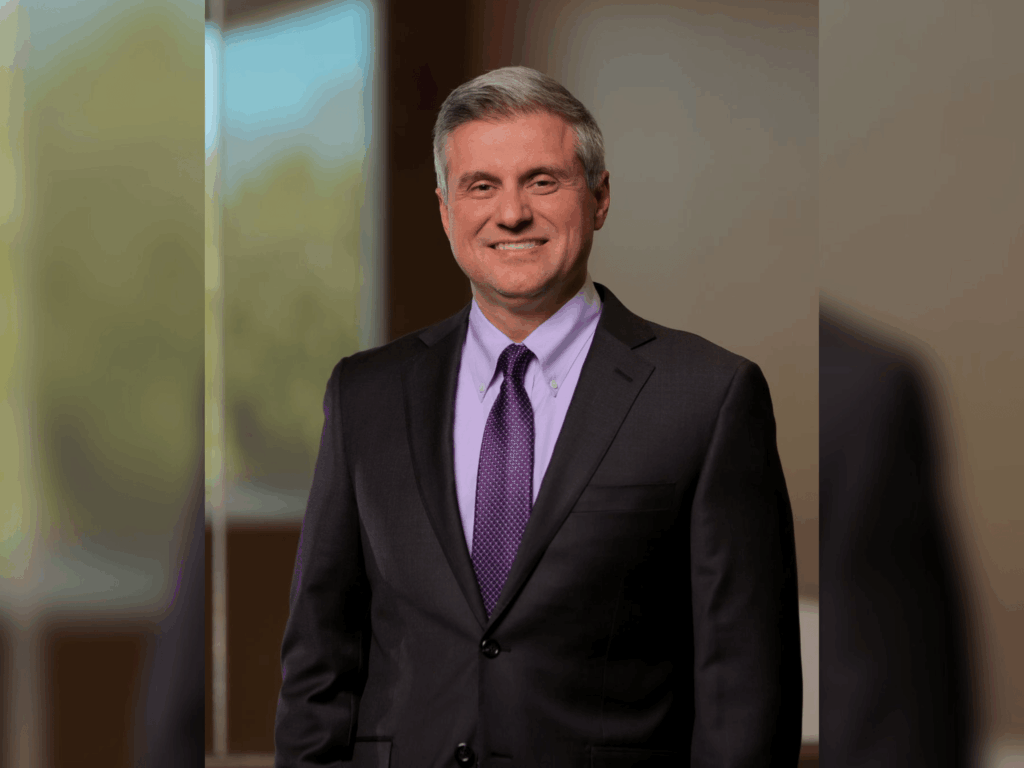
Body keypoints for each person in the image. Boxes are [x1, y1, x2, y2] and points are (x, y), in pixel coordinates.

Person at [274, 66, 802, 768]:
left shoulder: (708, 396)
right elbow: (319, 657)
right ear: (445, 209)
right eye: (481, 185)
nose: (511, 213)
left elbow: (746, 686)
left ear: (601, 197)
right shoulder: (365, 395)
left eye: (542, 181)